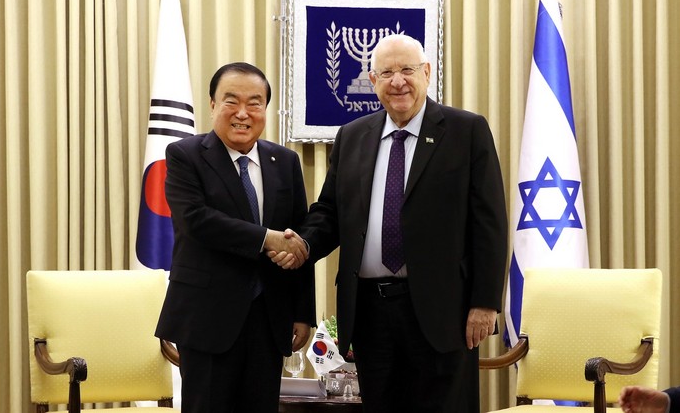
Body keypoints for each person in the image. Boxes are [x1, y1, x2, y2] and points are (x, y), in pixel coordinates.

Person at [276, 34, 508, 412]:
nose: (398, 81)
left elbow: (490, 222)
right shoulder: (353, 136)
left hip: (442, 311)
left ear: (426, 72)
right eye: (386, 73)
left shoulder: (465, 131)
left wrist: (485, 302)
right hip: (370, 312)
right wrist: (302, 244)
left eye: (407, 70)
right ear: (373, 80)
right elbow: (331, 211)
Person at [155, 62, 315, 413]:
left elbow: (297, 235)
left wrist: (303, 313)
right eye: (231, 101)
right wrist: (267, 239)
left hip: (269, 320)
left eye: (254, 103)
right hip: (207, 318)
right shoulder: (185, 155)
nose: (243, 113)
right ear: (213, 104)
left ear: (265, 109)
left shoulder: (285, 161)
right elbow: (196, 221)